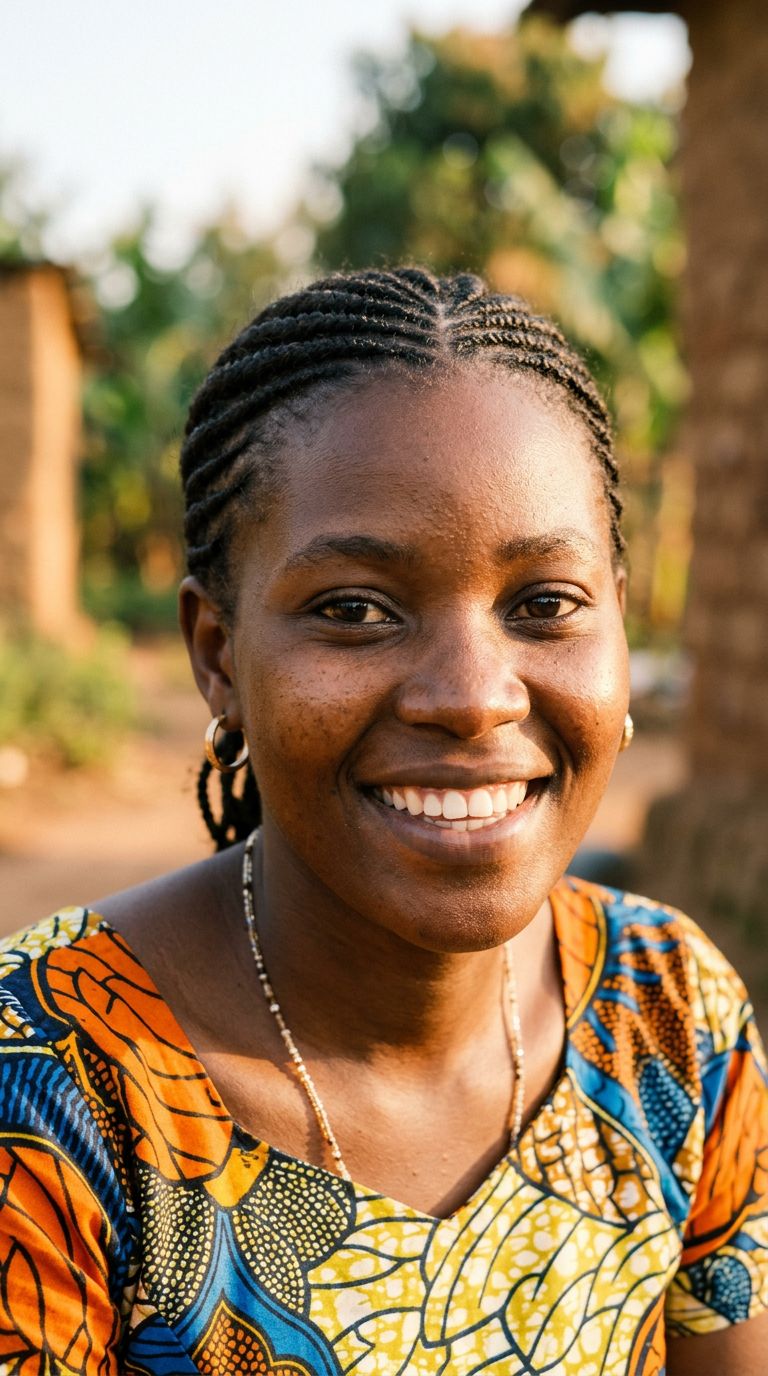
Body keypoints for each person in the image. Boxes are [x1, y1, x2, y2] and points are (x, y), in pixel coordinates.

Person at [0, 267, 765, 1376]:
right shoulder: (53, 1090)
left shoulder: (669, 1016)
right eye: (354, 609)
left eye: (544, 603)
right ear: (217, 653)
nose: (471, 694)